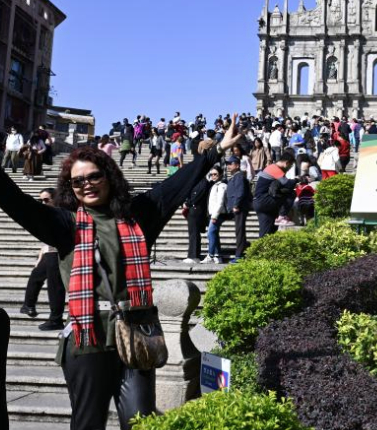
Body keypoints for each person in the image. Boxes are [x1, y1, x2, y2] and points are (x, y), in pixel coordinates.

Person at [0, 115, 241, 430]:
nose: (86, 184)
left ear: (109, 176)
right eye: (77, 181)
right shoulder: (65, 224)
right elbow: (17, 203)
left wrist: (216, 151)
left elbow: (176, 185)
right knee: (88, 423)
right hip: (88, 337)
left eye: (94, 176)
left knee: (139, 420)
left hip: (137, 332)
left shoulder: (140, 215)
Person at [19, 188, 66, 331]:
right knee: (36, 275)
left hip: (58, 253)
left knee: (55, 286)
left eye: (46, 200)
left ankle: (56, 319)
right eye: (40, 200)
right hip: (49, 252)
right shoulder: (48, 214)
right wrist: (40, 257)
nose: (43, 203)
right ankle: (28, 305)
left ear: (55, 199)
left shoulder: (61, 212)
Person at [253, 152, 296, 237]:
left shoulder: (271, 168)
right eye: (290, 165)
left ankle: (263, 245)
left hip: (260, 201)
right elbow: (287, 184)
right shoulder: (275, 169)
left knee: (268, 230)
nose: (289, 168)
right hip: (264, 200)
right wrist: (298, 179)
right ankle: (282, 216)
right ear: (286, 163)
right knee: (291, 194)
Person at [224, 156, 252, 263]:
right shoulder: (235, 177)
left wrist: (236, 205)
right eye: (227, 164)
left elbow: (240, 192)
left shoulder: (239, 176)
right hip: (236, 207)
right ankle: (245, 248)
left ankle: (239, 255)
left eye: (230, 163)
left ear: (237, 165)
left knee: (239, 231)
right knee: (239, 231)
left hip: (239, 208)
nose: (228, 166)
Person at [183, 170, 212, 264]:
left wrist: (188, 203)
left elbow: (196, 196)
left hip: (196, 210)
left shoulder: (202, 182)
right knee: (193, 232)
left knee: (194, 233)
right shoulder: (199, 182)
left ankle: (193, 255)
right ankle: (195, 254)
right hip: (195, 210)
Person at [202, 166, 227, 264]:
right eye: (211, 174)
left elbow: (220, 202)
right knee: (214, 234)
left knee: (210, 233)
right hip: (212, 214)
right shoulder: (214, 185)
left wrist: (214, 216)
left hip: (217, 214)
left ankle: (210, 255)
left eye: (215, 174)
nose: (213, 176)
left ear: (220, 174)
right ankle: (218, 255)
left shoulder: (222, 186)